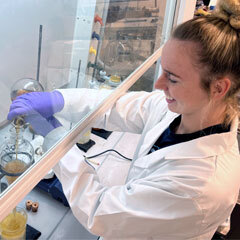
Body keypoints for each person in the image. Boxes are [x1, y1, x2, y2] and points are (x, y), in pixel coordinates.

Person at [7, 0, 240, 239]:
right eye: (163, 71)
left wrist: (55, 138)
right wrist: (58, 99)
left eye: (172, 78)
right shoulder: (186, 110)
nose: (159, 86)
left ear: (218, 88)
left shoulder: (201, 186)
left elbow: (100, 210)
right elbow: (117, 106)